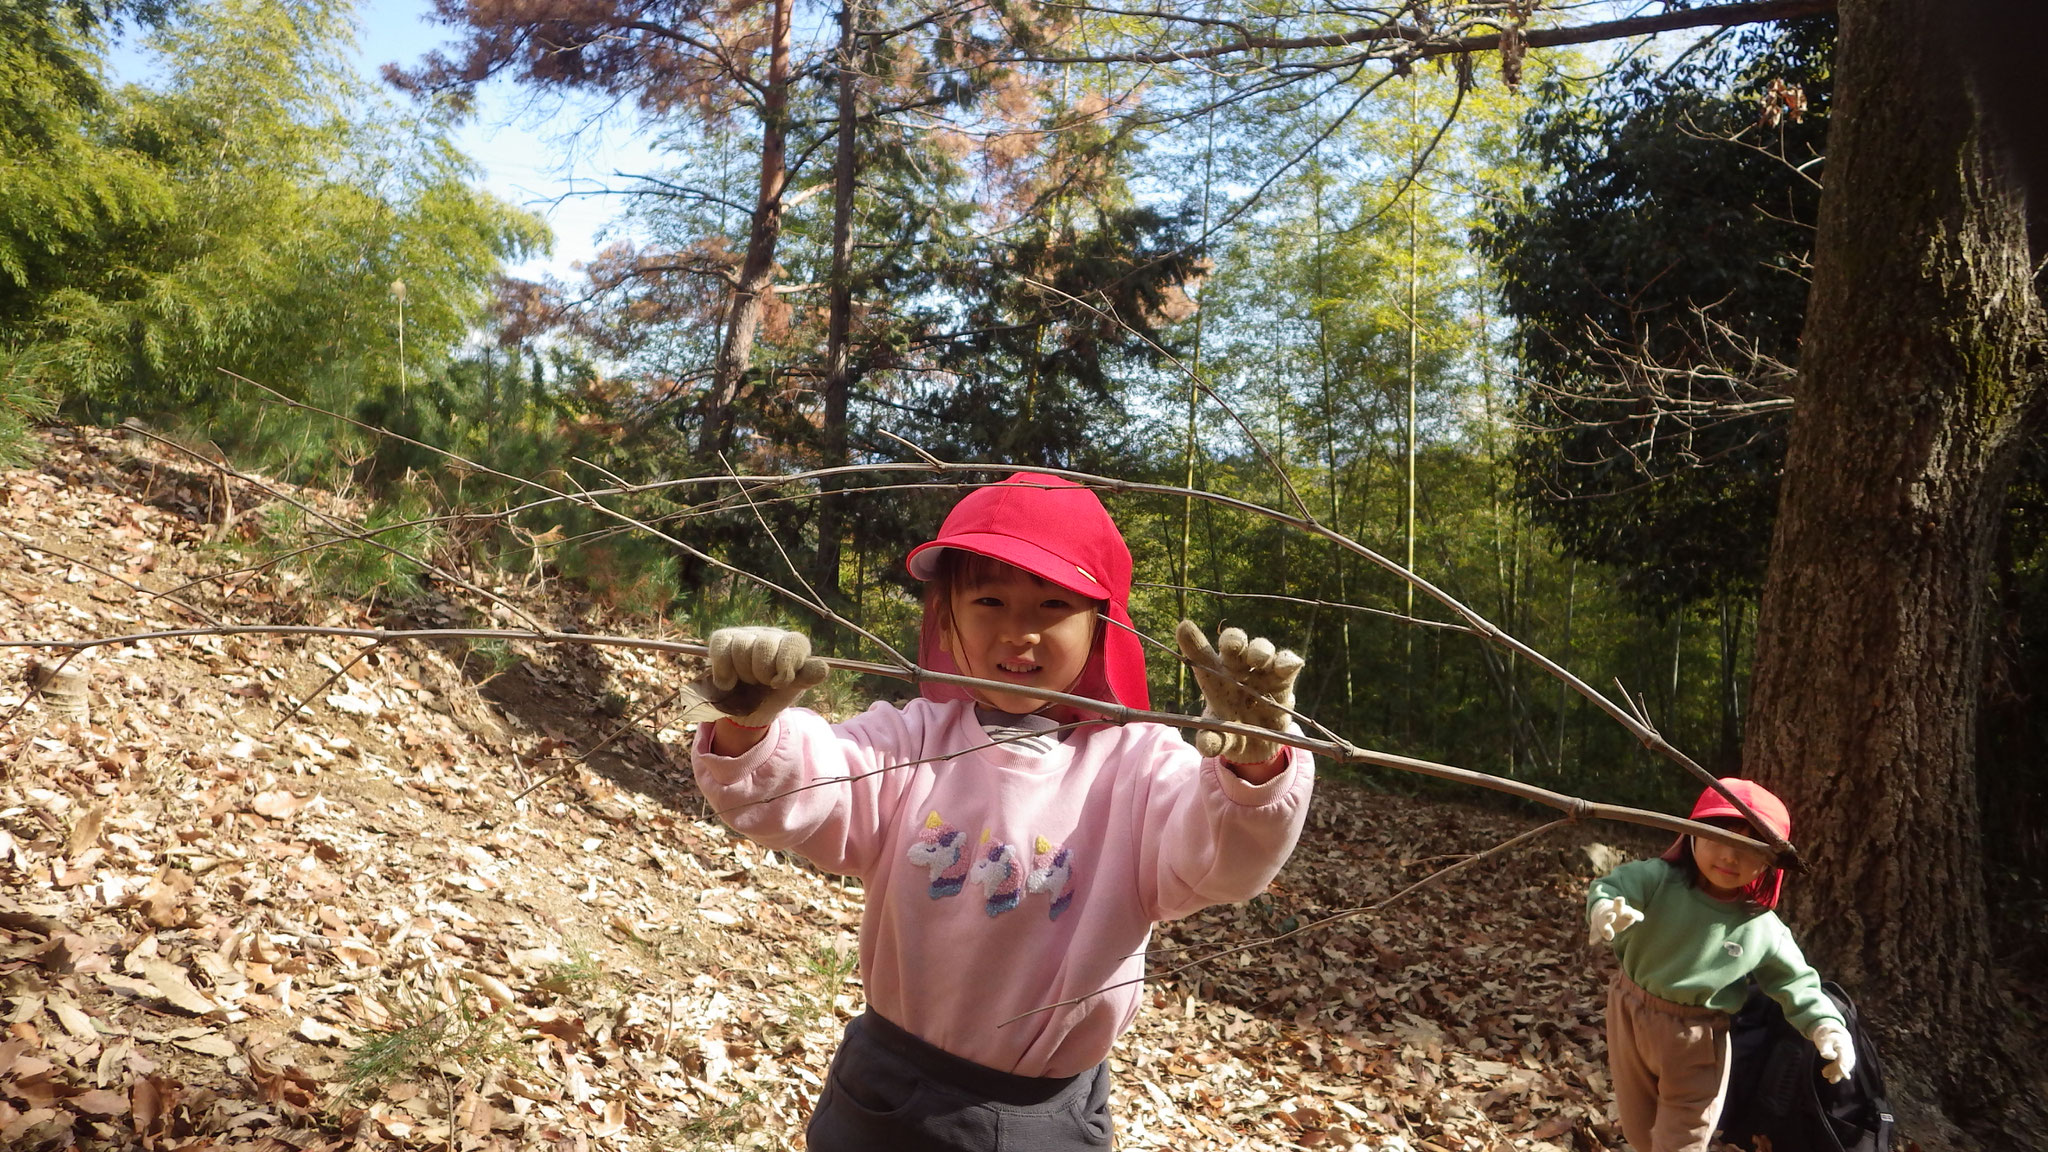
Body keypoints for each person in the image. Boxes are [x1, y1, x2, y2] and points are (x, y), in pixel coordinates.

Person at [691, 471, 1315, 1151]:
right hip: (886, 1091)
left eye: (1052, 605)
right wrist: (750, 725)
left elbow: (1220, 862)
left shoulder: (1140, 766)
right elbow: (807, 788)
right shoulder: (913, 741)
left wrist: (1254, 765)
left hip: (1043, 1116)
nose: (1020, 633)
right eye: (989, 600)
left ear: (1101, 626)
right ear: (947, 620)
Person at [1586, 778, 1857, 1152]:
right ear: (1692, 835)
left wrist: (1827, 1026)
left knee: (1681, 1139)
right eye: (1720, 838)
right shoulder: (1658, 880)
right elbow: (1614, 887)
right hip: (1628, 1012)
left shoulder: (1761, 928)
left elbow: (1797, 983)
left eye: (1750, 848)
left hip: (1696, 1041)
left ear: (1769, 863)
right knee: (1638, 1127)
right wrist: (1604, 910)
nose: (1730, 857)